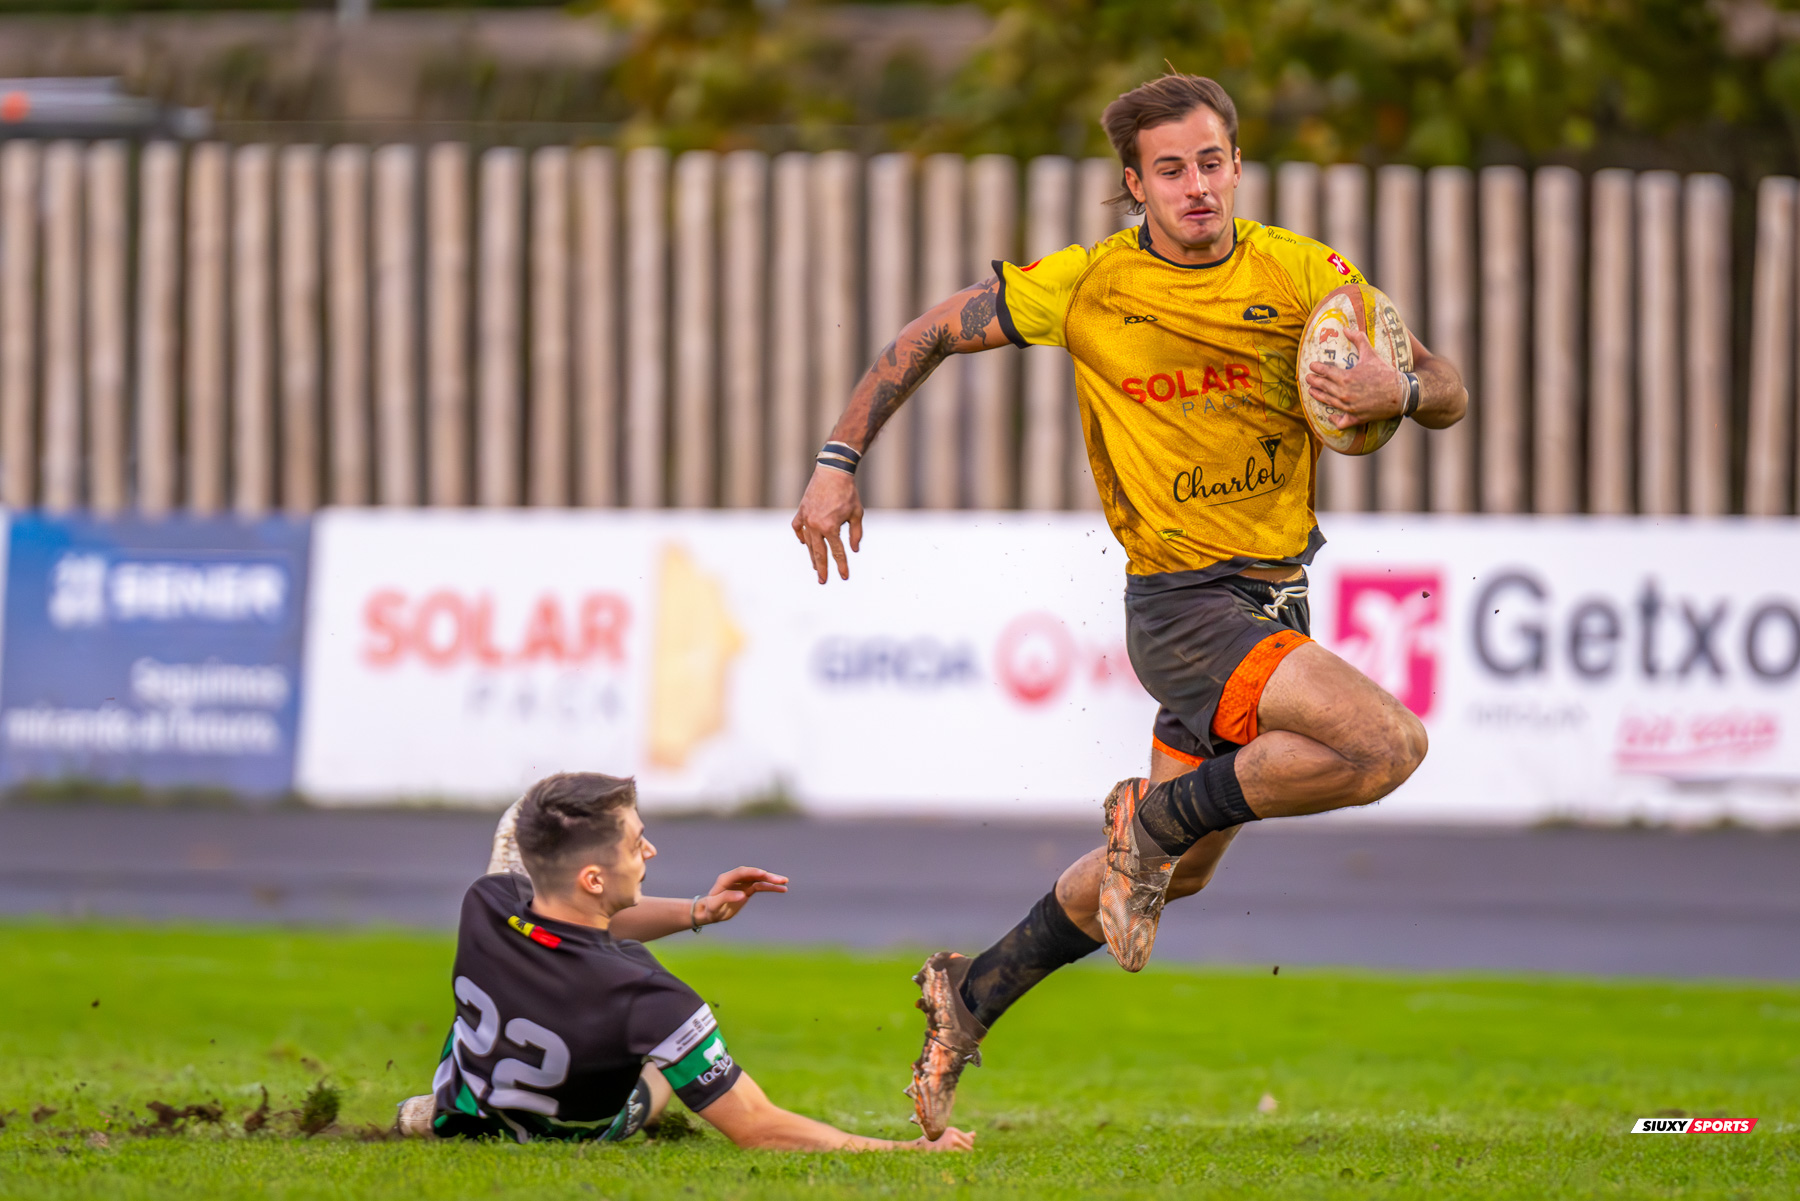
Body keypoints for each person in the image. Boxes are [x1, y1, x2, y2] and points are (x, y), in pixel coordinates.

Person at [790, 73, 1468, 1138]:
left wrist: (1407, 391)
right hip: (1184, 607)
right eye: (1170, 169)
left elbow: (1446, 385)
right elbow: (926, 334)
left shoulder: (1306, 274)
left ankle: (969, 996)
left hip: (1276, 599)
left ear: (1236, 164)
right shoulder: (1088, 285)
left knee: (1173, 878)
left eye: (1211, 161)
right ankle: (1146, 818)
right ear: (1133, 184)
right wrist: (838, 460)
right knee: (1385, 744)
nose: (1195, 185)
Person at [395, 771, 975, 1152]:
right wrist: (905, 1151)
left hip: (465, 1104)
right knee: (657, 1080)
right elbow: (758, 1126)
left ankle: (440, 1109)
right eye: (634, 843)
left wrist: (699, 910)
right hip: (566, 1135)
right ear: (594, 876)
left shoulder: (486, 904)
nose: (649, 851)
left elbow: (580, 920)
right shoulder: (649, 996)